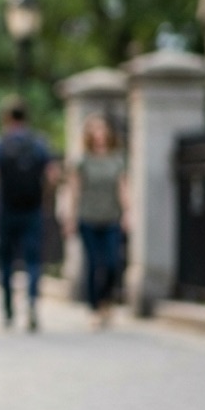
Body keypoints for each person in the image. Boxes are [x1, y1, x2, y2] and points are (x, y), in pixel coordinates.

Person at [0, 95, 59, 332]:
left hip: (6, 211)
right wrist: (45, 196)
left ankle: (8, 310)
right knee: (33, 260)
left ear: (6, 117)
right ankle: (32, 303)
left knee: (5, 261)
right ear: (26, 117)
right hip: (32, 209)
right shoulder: (39, 142)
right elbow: (53, 175)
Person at [65, 113, 128, 328]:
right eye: (94, 131)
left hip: (111, 217)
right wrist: (71, 218)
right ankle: (94, 308)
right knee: (93, 263)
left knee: (112, 262)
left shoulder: (117, 159)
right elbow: (74, 191)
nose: (99, 135)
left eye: (102, 130)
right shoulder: (82, 161)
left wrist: (128, 213)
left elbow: (122, 188)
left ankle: (106, 301)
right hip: (88, 217)